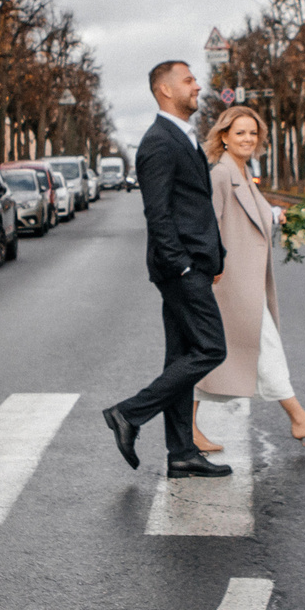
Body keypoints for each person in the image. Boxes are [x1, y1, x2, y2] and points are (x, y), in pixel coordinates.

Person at [101, 59, 232, 478]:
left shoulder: (183, 137)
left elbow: (194, 206)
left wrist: (218, 255)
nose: (198, 86)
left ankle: (181, 453)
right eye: (189, 80)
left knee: (181, 356)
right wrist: (183, 268)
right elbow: (157, 215)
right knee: (212, 349)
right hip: (179, 270)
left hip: (192, 264)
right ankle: (128, 413)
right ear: (164, 90)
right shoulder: (158, 142)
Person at [191, 105, 305, 444]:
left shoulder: (243, 172)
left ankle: (188, 430)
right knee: (264, 347)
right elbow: (208, 227)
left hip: (247, 283)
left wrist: (278, 216)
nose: (248, 138)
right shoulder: (220, 175)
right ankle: (299, 419)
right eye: (240, 132)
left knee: (209, 357)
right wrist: (212, 271)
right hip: (229, 284)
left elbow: (253, 212)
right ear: (225, 136)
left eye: (253, 132)